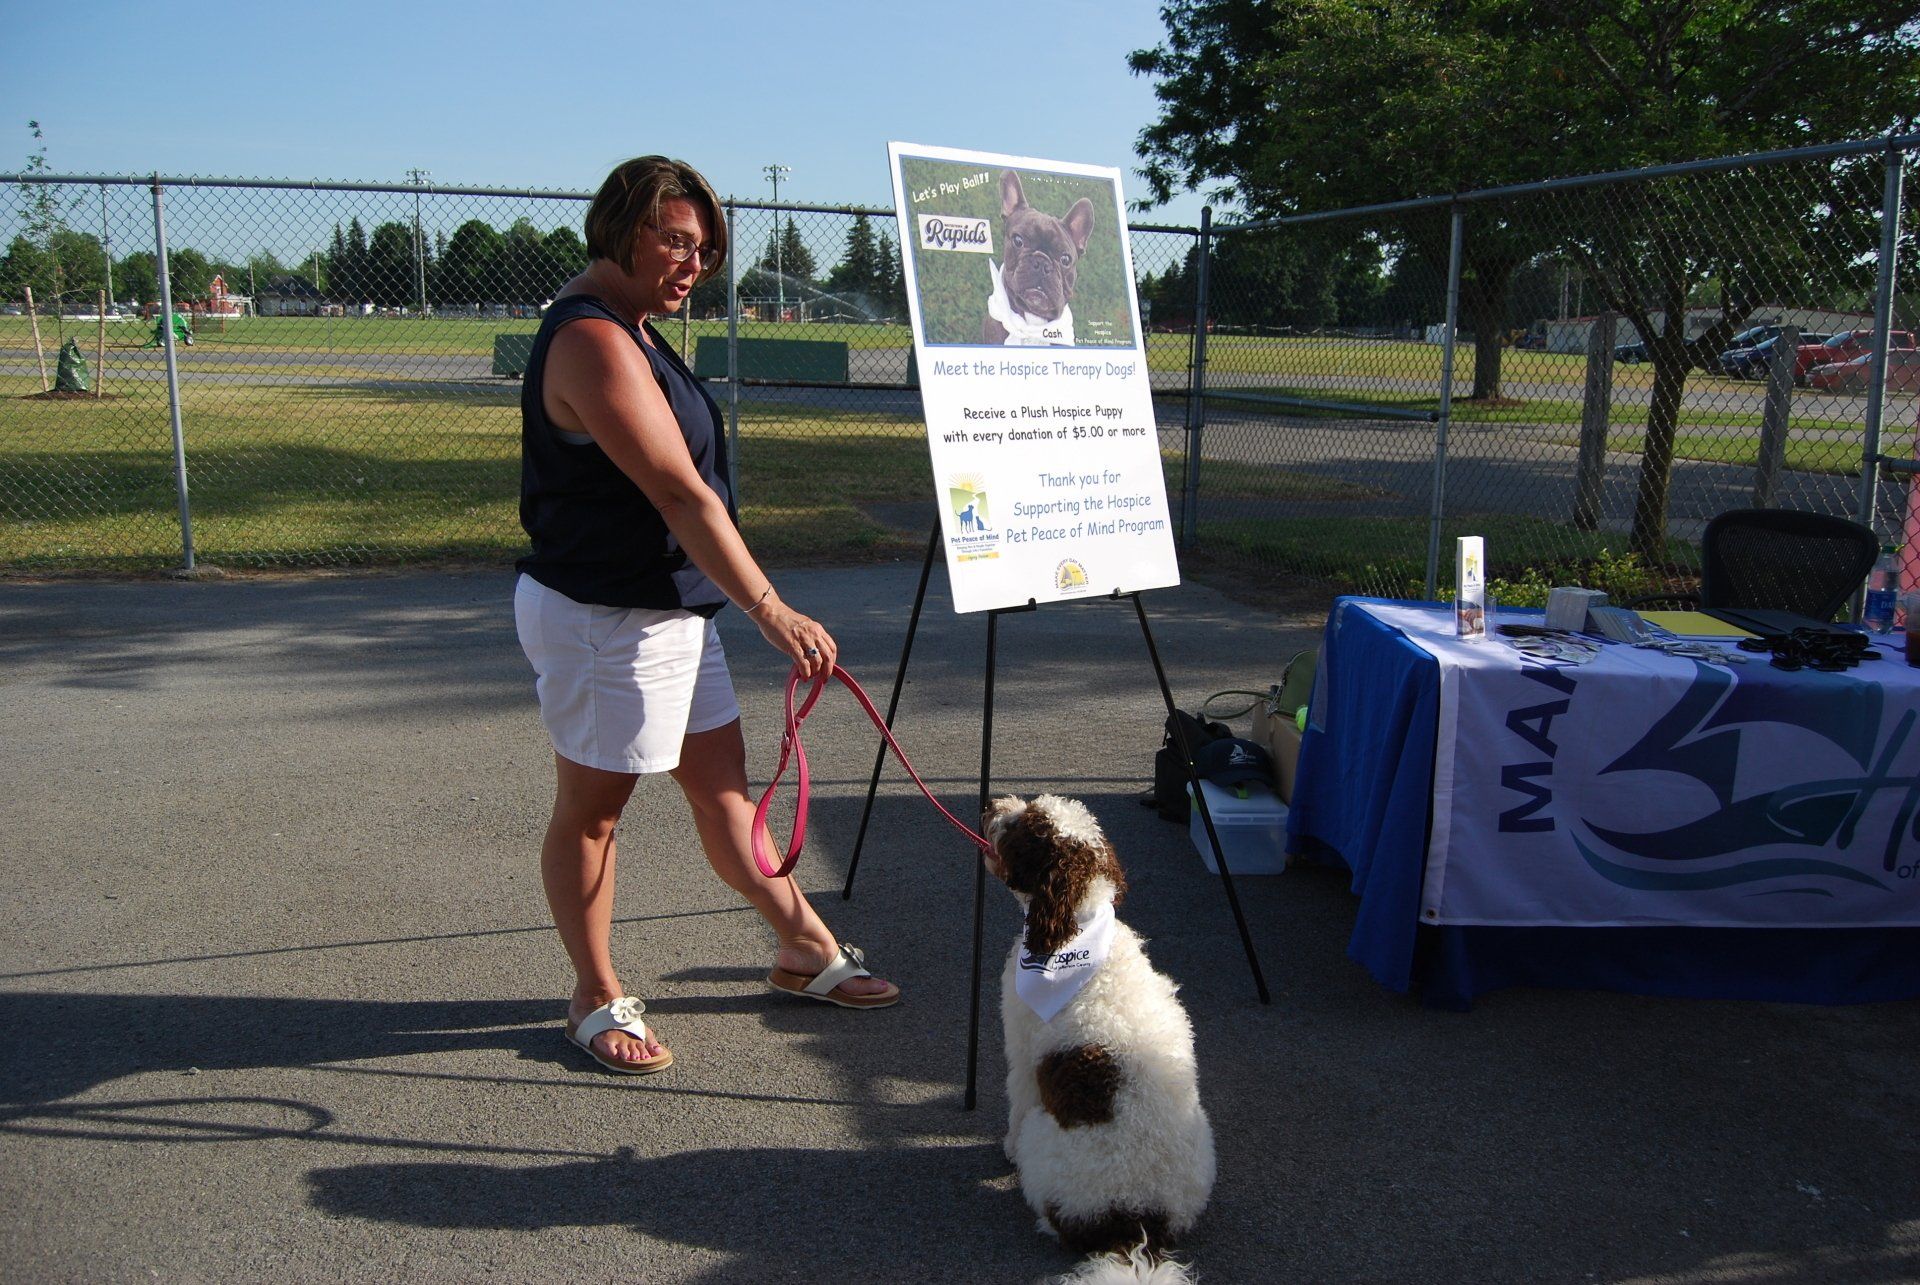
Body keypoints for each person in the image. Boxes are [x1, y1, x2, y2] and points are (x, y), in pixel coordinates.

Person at [514, 156, 898, 1077]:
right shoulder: (593, 338)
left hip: (671, 612)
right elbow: (682, 495)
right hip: (607, 619)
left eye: (705, 248)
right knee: (595, 814)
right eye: (675, 240)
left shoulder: (638, 328)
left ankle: (802, 947)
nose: (693, 263)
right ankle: (592, 992)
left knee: (724, 791)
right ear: (621, 228)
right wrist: (769, 607)